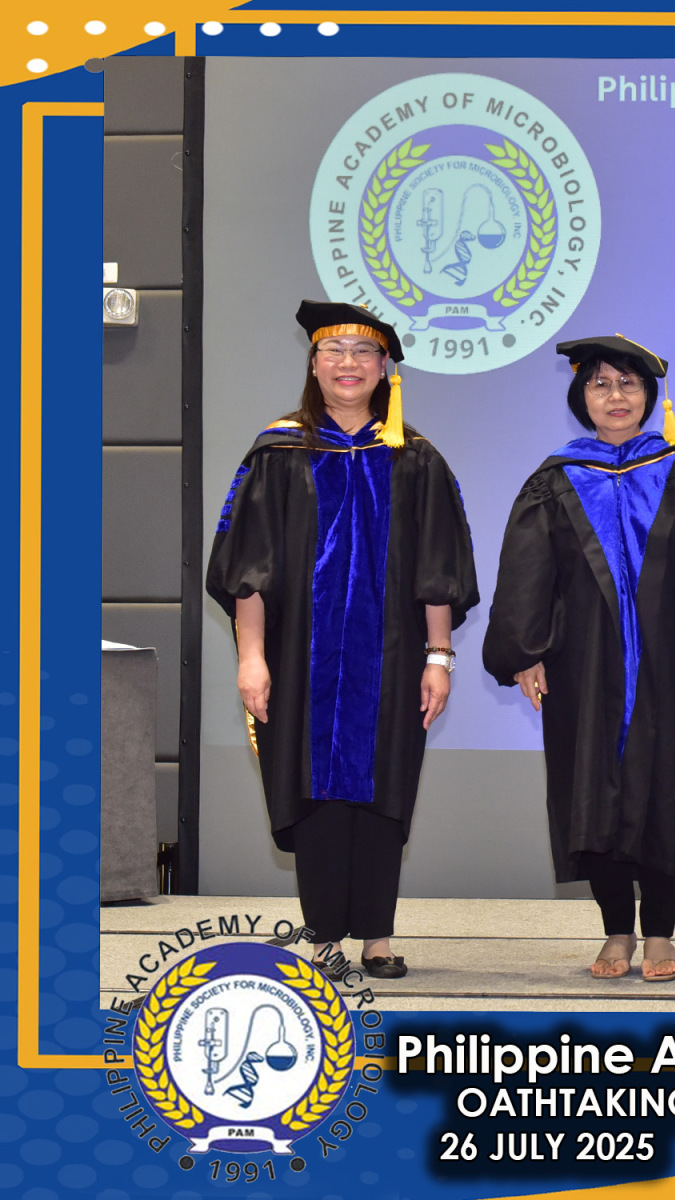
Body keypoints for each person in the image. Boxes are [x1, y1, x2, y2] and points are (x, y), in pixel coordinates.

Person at [207, 300, 479, 980]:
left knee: (384, 789)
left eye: (364, 352)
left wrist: (439, 658)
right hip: (300, 657)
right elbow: (249, 573)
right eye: (335, 350)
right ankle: (325, 937)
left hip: (392, 658)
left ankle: (378, 938)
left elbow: (437, 571)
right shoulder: (278, 453)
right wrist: (251, 659)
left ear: (385, 368)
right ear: (313, 363)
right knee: (315, 792)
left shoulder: (415, 458)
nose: (349, 363)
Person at [482, 335, 675, 983]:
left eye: (628, 383)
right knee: (590, 792)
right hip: (580, 664)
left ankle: (659, 931)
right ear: (581, 396)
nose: (615, 395)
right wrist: (526, 652)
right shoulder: (555, 479)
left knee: (664, 788)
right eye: (600, 383)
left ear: (649, 396)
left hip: (668, 661)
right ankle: (616, 929)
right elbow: (525, 571)